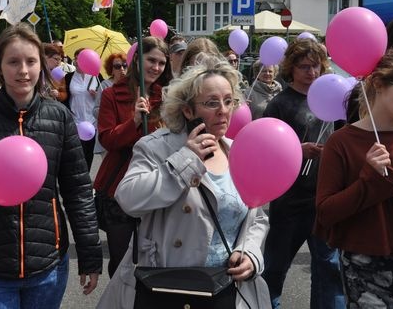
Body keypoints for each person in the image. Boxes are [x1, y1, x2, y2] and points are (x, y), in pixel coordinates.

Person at [0, 24, 102, 308]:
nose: (23, 70)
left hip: (48, 263)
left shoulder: (60, 118)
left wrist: (89, 255)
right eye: (13, 62)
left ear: (42, 66)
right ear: (0, 67)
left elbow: (78, 191)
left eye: (31, 61)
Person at [96, 56, 270, 309]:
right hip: (169, 288)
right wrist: (186, 160)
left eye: (228, 101)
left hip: (227, 289)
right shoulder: (156, 146)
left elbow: (258, 218)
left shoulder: (239, 152)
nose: (223, 110)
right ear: (188, 110)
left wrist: (251, 254)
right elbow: (128, 199)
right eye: (212, 103)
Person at [261, 39, 345, 309]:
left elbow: (345, 137)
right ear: (291, 69)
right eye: (304, 67)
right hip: (289, 201)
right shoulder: (280, 104)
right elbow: (267, 151)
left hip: (325, 198)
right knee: (275, 270)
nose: (312, 73)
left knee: (329, 272)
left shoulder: (332, 98)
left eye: (316, 66)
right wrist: (298, 150)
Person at [315, 48, 393, 307]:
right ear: (378, 84)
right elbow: (325, 212)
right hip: (367, 265)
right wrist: (368, 180)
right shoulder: (341, 142)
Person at [94, 36, 171, 277]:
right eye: (151, 60)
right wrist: (135, 121)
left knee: (154, 259)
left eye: (161, 63)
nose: (156, 68)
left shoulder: (168, 97)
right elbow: (107, 139)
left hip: (156, 185)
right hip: (118, 186)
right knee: (121, 260)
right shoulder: (111, 95)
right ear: (137, 59)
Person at [67, 48, 101, 170]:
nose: (77, 61)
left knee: (88, 152)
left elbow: (104, 95)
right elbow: (64, 96)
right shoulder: (69, 77)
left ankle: (86, 175)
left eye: (80, 58)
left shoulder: (96, 76)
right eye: (76, 58)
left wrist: (97, 94)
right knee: (75, 152)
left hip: (92, 121)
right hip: (75, 120)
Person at [92, 52, 128, 154]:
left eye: (124, 65)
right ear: (111, 70)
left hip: (126, 134)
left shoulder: (131, 84)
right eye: (117, 66)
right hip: (109, 135)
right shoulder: (105, 85)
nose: (122, 68)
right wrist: (108, 110)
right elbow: (95, 111)